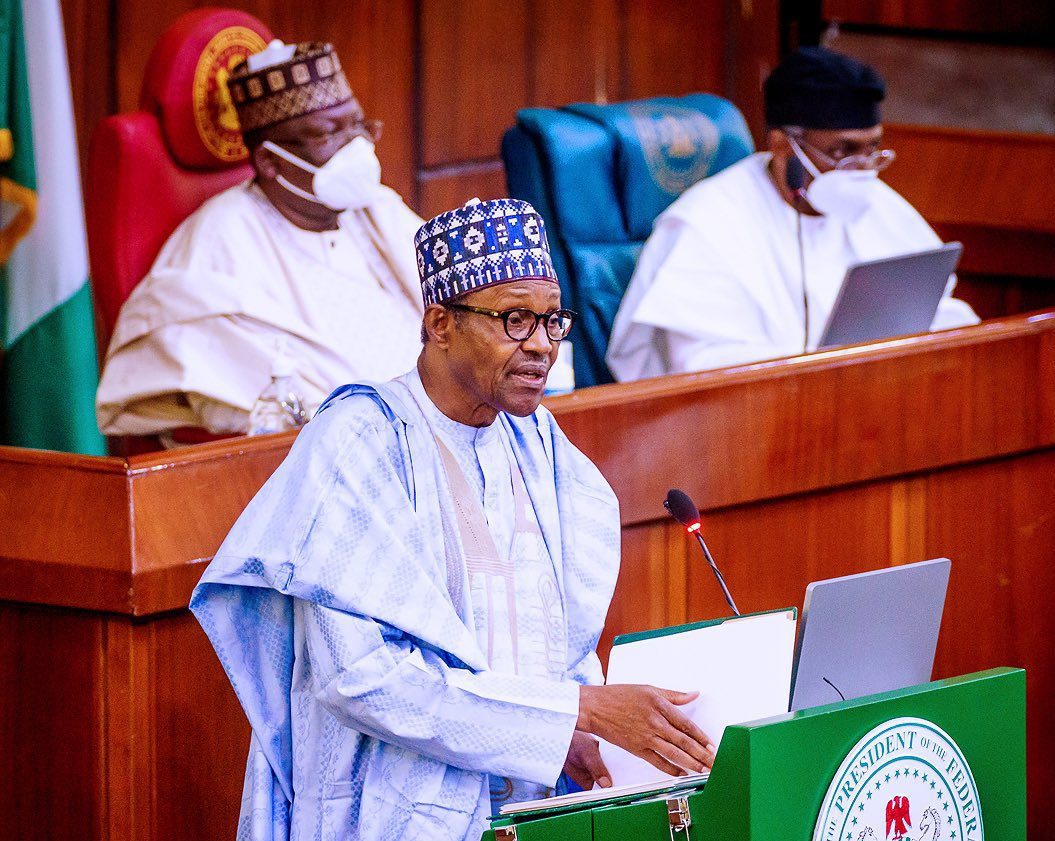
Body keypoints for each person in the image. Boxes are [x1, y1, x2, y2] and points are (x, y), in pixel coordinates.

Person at [190, 198, 716, 840]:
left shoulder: (539, 443)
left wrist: (576, 732)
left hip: (532, 809)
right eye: (515, 320)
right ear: (439, 322)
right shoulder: (360, 440)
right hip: (391, 815)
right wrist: (578, 711)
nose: (543, 347)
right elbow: (359, 680)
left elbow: (564, 637)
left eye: (553, 322)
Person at [96, 40, 424, 437]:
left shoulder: (376, 207)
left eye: (358, 125)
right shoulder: (220, 240)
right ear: (269, 161)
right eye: (329, 133)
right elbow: (245, 409)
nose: (356, 147)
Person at [607, 47, 979, 381]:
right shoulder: (707, 224)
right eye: (842, 151)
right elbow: (704, 365)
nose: (862, 168)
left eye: (873, 149)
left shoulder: (878, 203)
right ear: (784, 145)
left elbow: (939, 312)